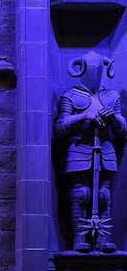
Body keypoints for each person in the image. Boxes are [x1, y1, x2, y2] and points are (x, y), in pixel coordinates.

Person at [54, 51, 126, 252]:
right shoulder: (70, 96)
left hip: (104, 149)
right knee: (80, 193)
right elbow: (60, 127)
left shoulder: (111, 97)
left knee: (104, 195)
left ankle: (104, 240)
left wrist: (111, 117)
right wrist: (85, 115)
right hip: (79, 149)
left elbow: (123, 128)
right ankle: (79, 239)